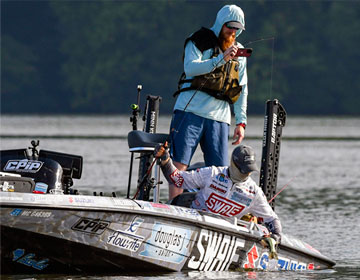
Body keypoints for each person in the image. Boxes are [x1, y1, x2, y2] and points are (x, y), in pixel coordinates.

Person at [169, 4, 249, 200]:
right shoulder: (198, 40)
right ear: (221, 23)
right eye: (230, 26)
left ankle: (213, 214)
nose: (233, 31)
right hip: (190, 112)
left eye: (237, 28)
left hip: (219, 118)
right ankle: (173, 205)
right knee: (179, 165)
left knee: (220, 172)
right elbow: (190, 68)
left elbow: (243, 87)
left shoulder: (239, 52)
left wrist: (241, 122)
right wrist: (221, 59)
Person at [154, 144, 282, 245]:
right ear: (234, 164)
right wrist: (165, 160)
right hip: (193, 223)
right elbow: (178, 180)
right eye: (244, 170)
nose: (247, 174)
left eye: (249, 170)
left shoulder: (254, 192)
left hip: (223, 236)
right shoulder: (212, 173)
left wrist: (275, 236)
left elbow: (271, 218)